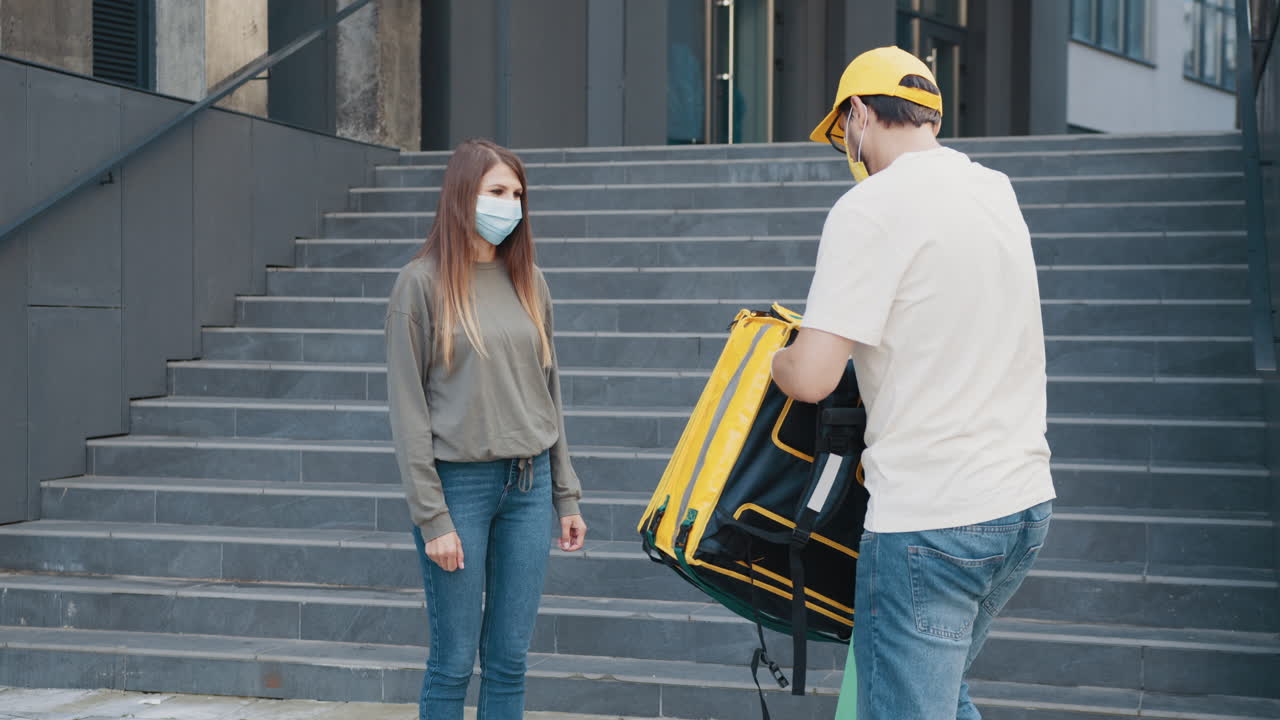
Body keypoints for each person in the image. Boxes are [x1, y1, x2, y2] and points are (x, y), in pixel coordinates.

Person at [770, 47, 1055, 720]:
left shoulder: (868, 207)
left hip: (933, 522)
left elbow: (811, 377)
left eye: (843, 131)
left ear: (860, 115)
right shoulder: (994, 190)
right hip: (1021, 507)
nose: (847, 147)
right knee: (937, 692)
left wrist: (774, 359)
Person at [385, 138, 588, 720]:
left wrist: (565, 495)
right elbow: (407, 410)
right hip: (458, 489)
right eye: (497, 192)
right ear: (462, 195)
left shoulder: (530, 283)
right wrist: (432, 516)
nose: (511, 205)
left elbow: (549, 396)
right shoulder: (419, 285)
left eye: (518, 194)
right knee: (451, 663)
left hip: (527, 488)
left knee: (509, 662)